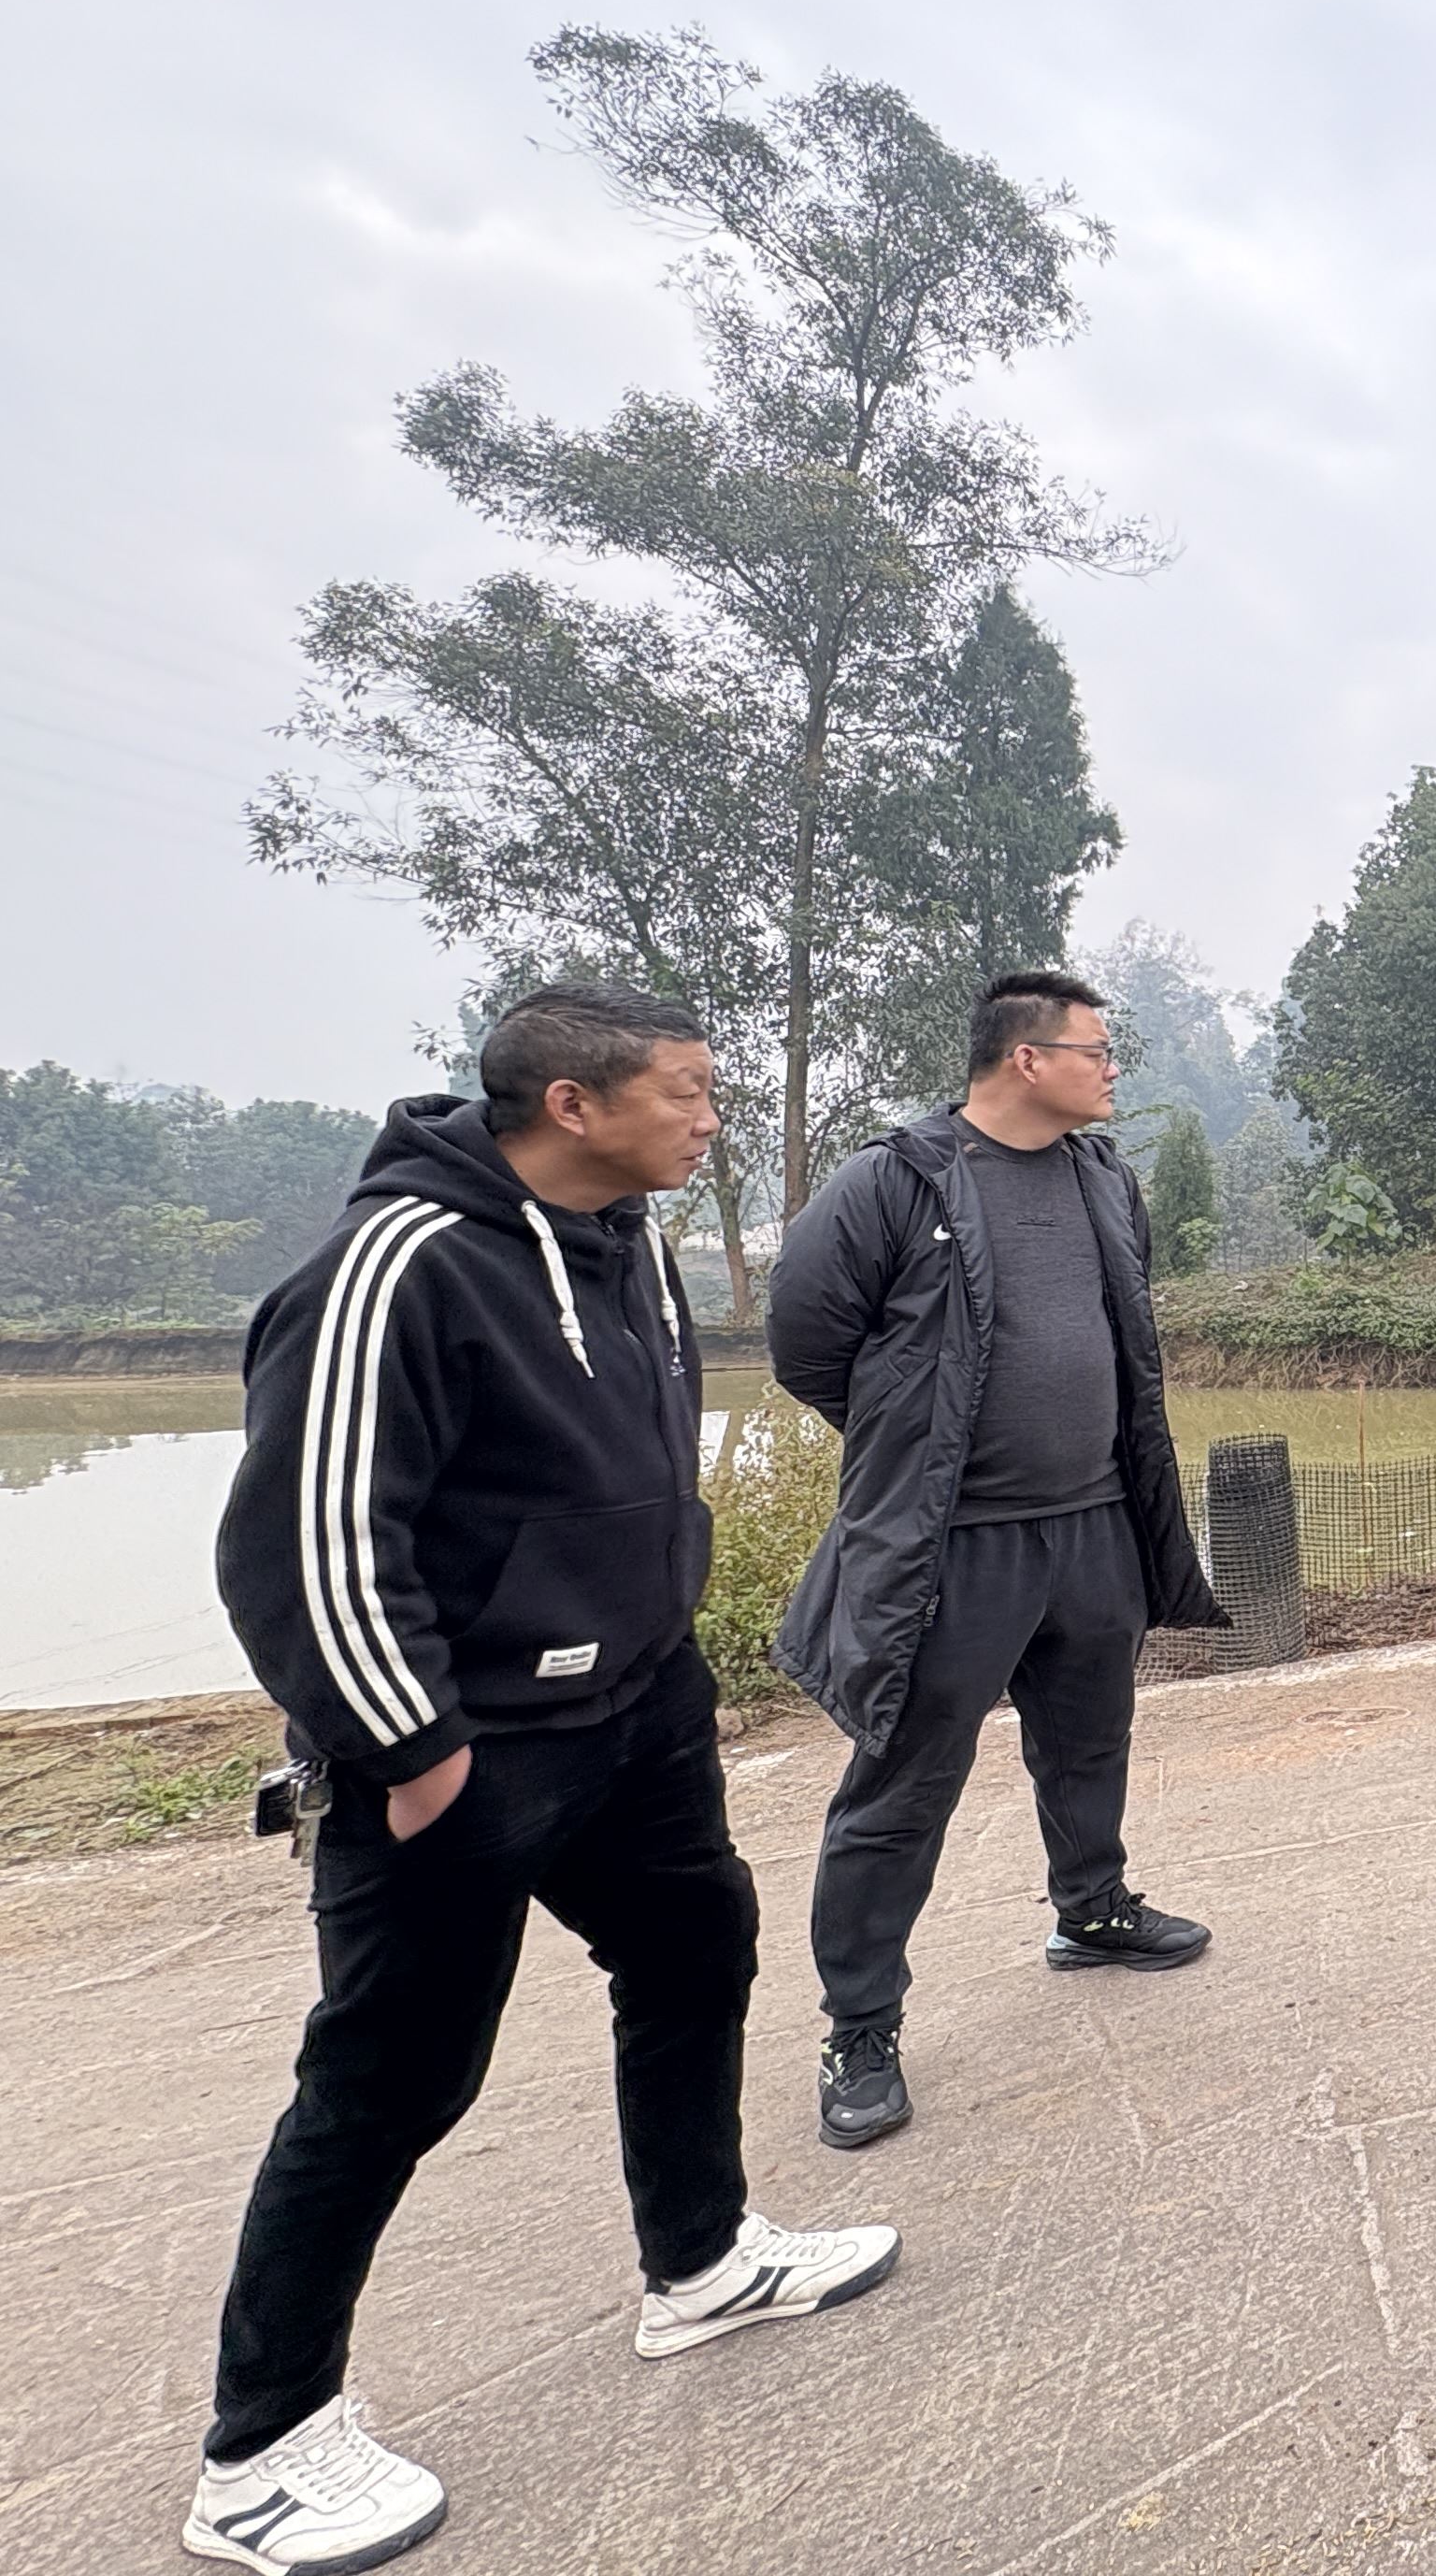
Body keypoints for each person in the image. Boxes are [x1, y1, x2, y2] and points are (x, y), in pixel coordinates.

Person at [188, 985, 897, 2575]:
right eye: (685, 1091)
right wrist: (414, 1747)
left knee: (696, 1956)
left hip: (637, 1714)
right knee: (391, 2077)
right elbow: (303, 1544)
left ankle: (700, 2262)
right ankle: (261, 2450)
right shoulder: (395, 1266)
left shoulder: (625, 1239)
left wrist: (664, 1661)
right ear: (573, 1104)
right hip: (463, 1752)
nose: (710, 1116)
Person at [770, 970, 1228, 2151]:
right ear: (1027, 1059)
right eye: (1095, 1050)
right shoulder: (896, 1181)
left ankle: (1092, 1910)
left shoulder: (1102, 1176)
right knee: (903, 1784)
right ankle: (859, 2027)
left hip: (1095, 1525)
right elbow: (806, 1345)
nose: (1112, 1069)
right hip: (955, 1546)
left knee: (1090, 1741)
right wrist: (917, 1447)